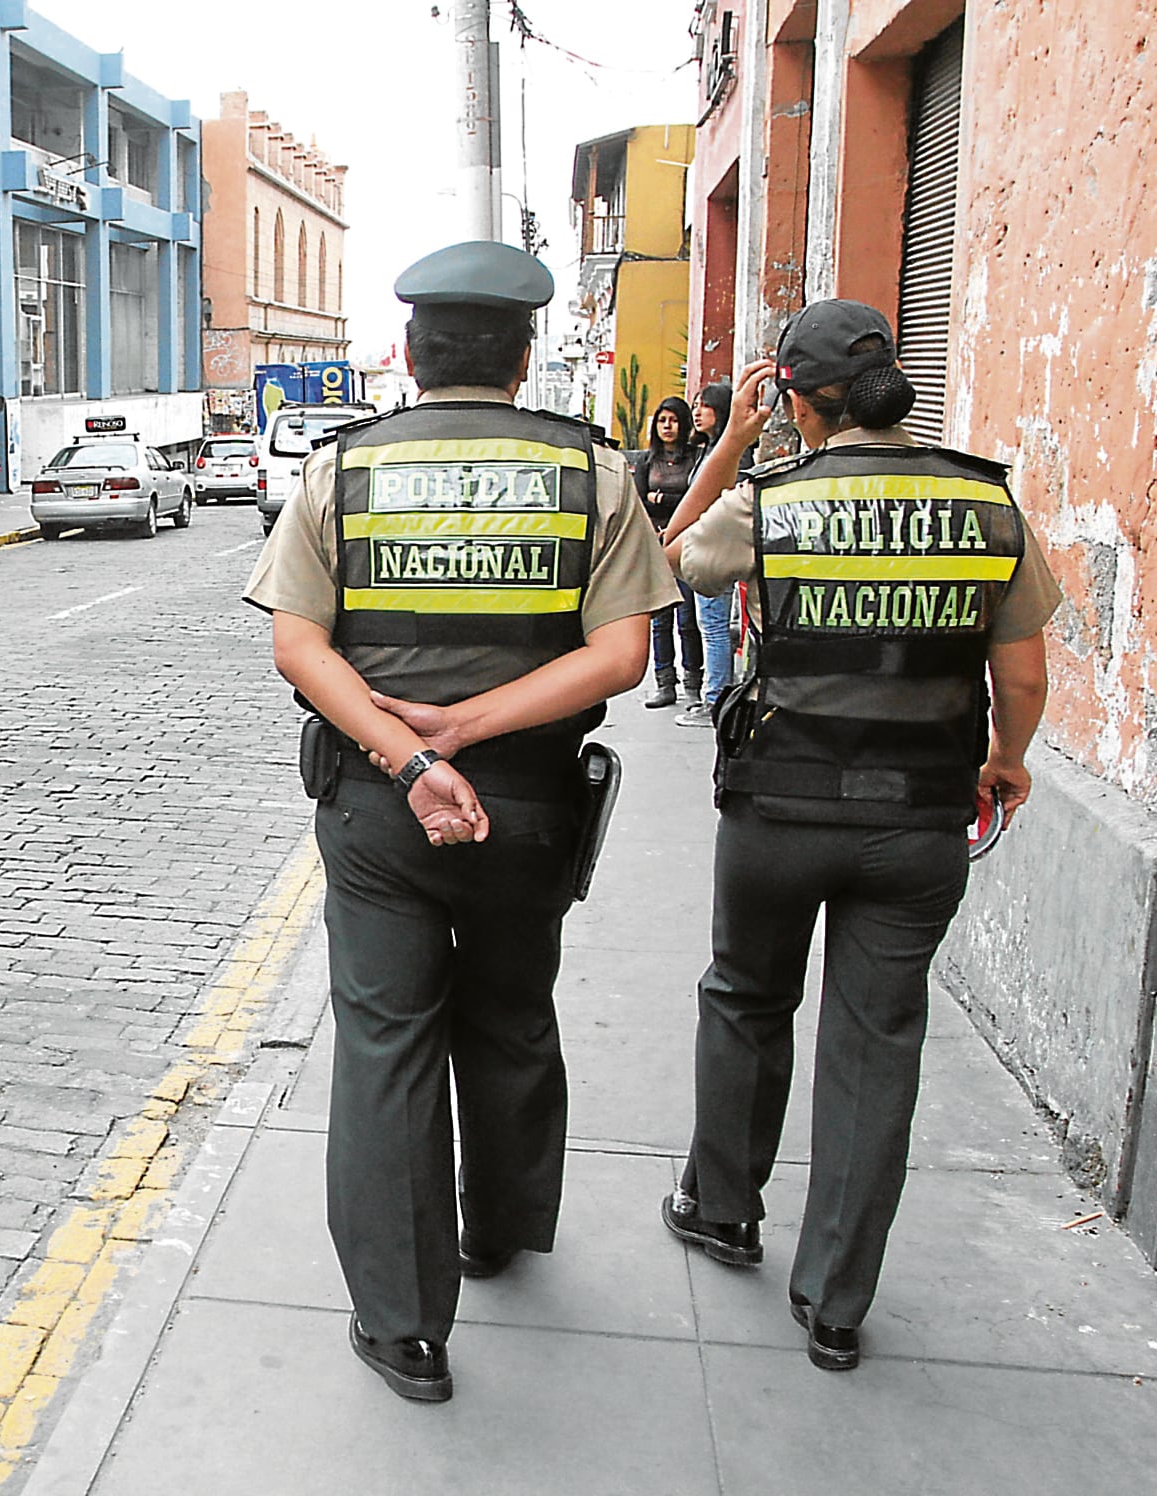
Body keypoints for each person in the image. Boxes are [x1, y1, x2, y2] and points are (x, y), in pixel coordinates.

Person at [244, 241, 675, 1404]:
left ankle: (403, 1325)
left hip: (382, 806)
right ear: (526, 356)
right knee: (510, 1009)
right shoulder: (594, 472)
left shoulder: (344, 469)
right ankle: (499, 1228)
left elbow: (297, 642)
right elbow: (622, 653)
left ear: (411, 354)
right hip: (529, 803)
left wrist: (414, 752)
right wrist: (475, 728)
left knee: (386, 1042)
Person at [657, 300, 1059, 1372]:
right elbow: (1020, 671)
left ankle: (725, 1207)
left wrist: (734, 442)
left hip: (778, 809)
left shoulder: (772, 499)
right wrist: (1006, 758)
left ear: (794, 396)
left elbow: (673, 559)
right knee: (876, 1043)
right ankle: (835, 1299)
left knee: (746, 998)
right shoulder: (984, 502)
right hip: (920, 817)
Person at [682, 382, 748, 724]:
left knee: (713, 625)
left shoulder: (727, 454)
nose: (697, 412)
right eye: (694, 404)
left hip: (713, 546)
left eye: (704, 405)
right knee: (707, 623)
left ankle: (715, 697)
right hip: (701, 542)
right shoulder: (708, 451)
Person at [634, 397, 704, 716]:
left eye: (673, 420)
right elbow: (638, 501)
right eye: (662, 420)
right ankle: (665, 683)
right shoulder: (649, 460)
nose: (667, 426)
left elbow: (694, 497)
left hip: (688, 544)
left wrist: (663, 497)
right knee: (660, 620)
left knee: (688, 620)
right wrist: (658, 509)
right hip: (656, 545)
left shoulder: (695, 459)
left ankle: (693, 683)